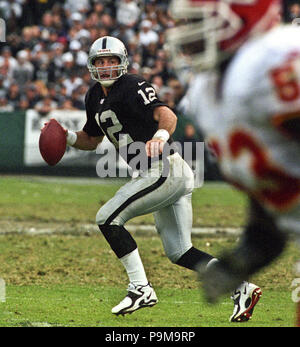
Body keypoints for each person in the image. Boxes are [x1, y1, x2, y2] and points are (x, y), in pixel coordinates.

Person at [45, 36, 260, 321]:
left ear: (122, 62)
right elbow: (92, 140)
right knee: (180, 251)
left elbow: (165, 113)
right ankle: (241, 288)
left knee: (107, 218)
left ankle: (140, 288)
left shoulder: (132, 85)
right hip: (163, 174)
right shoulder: (93, 96)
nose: (107, 67)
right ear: (91, 65)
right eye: (101, 61)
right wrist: (68, 137)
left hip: (163, 169)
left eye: (111, 61)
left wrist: (160, 136)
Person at [167, 0, 300, 323]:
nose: (187, 34)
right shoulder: (205, 92)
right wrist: (254, 247)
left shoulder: (274, 58)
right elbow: (277, 181)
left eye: (199, 22)